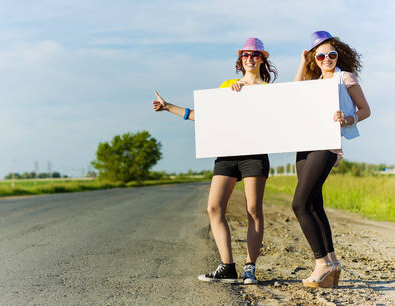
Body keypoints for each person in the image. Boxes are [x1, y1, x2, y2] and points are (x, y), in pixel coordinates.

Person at [152, 38, 277, 284]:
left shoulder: (269, 90)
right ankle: (227, 267)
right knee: (213, 208)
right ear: (240, 59)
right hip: (227, 153)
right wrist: (169, 107)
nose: (249, 59)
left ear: (262, 59)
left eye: (255, 55)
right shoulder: (228, 86)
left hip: (254, 153)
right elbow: (208, 117)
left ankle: (250, 268)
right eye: (245, 55)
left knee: (253, 210)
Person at [293, 30, 371, 288]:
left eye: (332, 55)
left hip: (326, 145)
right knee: (314, 205)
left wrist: (346, 120)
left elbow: (365, 110)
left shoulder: (344, 77)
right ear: (315, 58)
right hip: (303, 145)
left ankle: (321, 264)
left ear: (338, 56)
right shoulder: (311, 81)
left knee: (300, 205)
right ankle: (333, 262)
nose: (327, 59)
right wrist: (303, 64)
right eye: (321, 55)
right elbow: (292, 96)